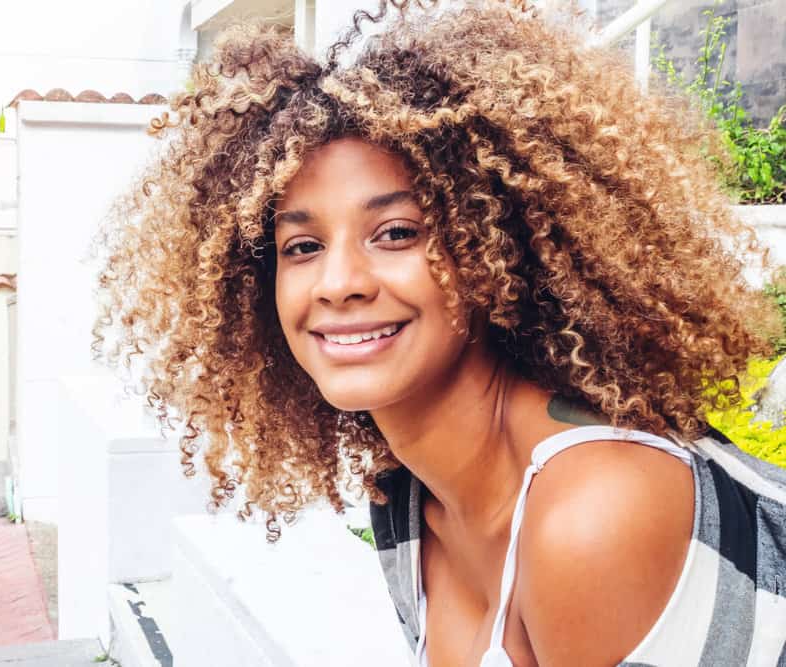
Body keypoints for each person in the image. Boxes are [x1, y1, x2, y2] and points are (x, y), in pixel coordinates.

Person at [94, 0, 786, 663]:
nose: (339, 282)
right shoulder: (407, 499)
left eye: (395, 233)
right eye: (301, 247)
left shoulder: (592, 514)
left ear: (492, 248)